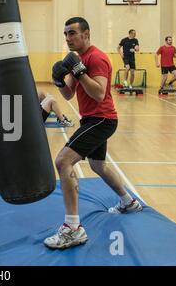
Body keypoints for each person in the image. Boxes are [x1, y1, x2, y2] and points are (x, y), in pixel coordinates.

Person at [45, 17, 142, 249]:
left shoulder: (96, 58)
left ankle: (73, 228)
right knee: (98, 165)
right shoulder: (76, 60)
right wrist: (59, 80)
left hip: (102, 119)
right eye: (65, 34)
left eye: (72, 33)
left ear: (86, 34)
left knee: (63, 161)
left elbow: (99, 94)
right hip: (92, 119)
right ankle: (128, 202)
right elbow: (69, 95)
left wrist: (79, 72)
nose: (68, 38)